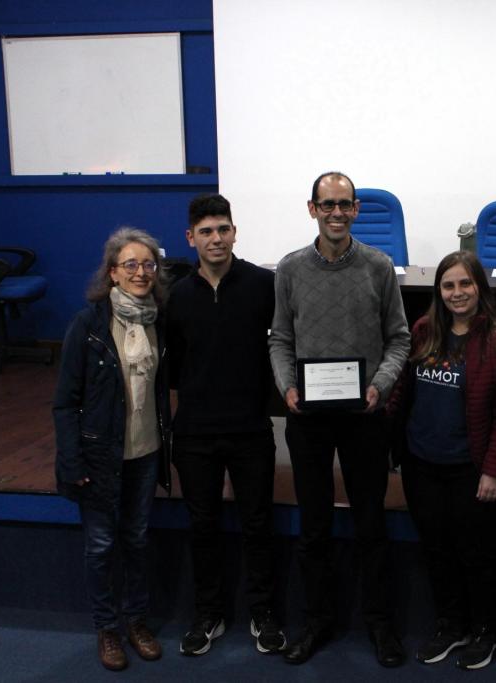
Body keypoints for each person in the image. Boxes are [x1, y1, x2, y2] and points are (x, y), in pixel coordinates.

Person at [268, 171, 410, 667]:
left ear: (355, 210)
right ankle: (316, 621)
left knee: (371, 525)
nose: (336, 213)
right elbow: (280, 338)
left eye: (344, 205)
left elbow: (399, 339)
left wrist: (381, 386)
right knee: (314, 527)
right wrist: (287, 384)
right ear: (312, 209)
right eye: (326, 204)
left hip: (365, 415)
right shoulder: (289, 269)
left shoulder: (379, 266)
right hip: (308, 417)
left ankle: (379, 623)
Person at [386, 251, 496, 670]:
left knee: (476, 554)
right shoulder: (425, 330)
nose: (457, 293)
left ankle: (485, 631)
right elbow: (402, 394)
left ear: (479, 286)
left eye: (465, 284)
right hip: (422, 465)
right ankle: (452, 625)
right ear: (438, 291)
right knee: (437, 550)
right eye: (449, 285)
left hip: (473, 469)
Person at [166, 194, 285, 657]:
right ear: (190, 237)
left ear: (234, 232)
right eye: (207, 231)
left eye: (224, 229)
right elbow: (173, 366)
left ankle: (264, 614)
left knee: (258, 524)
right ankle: (208, 614)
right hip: (194, 432)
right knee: (203, 525)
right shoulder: (175, 296)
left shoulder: (263, 284)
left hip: (250, 429)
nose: (216, 239)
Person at [53, 227, 170, 671]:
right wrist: (71, 459)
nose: (141, 272)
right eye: (131, 265)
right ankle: (107, 628)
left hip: (146, 450)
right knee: (101, 545)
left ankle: (136, 621)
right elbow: (65, 401)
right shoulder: (88, 324)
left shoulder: (159, 319)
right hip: (99, 456)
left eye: (148, 264)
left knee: (136, 540)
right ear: (113, 273)